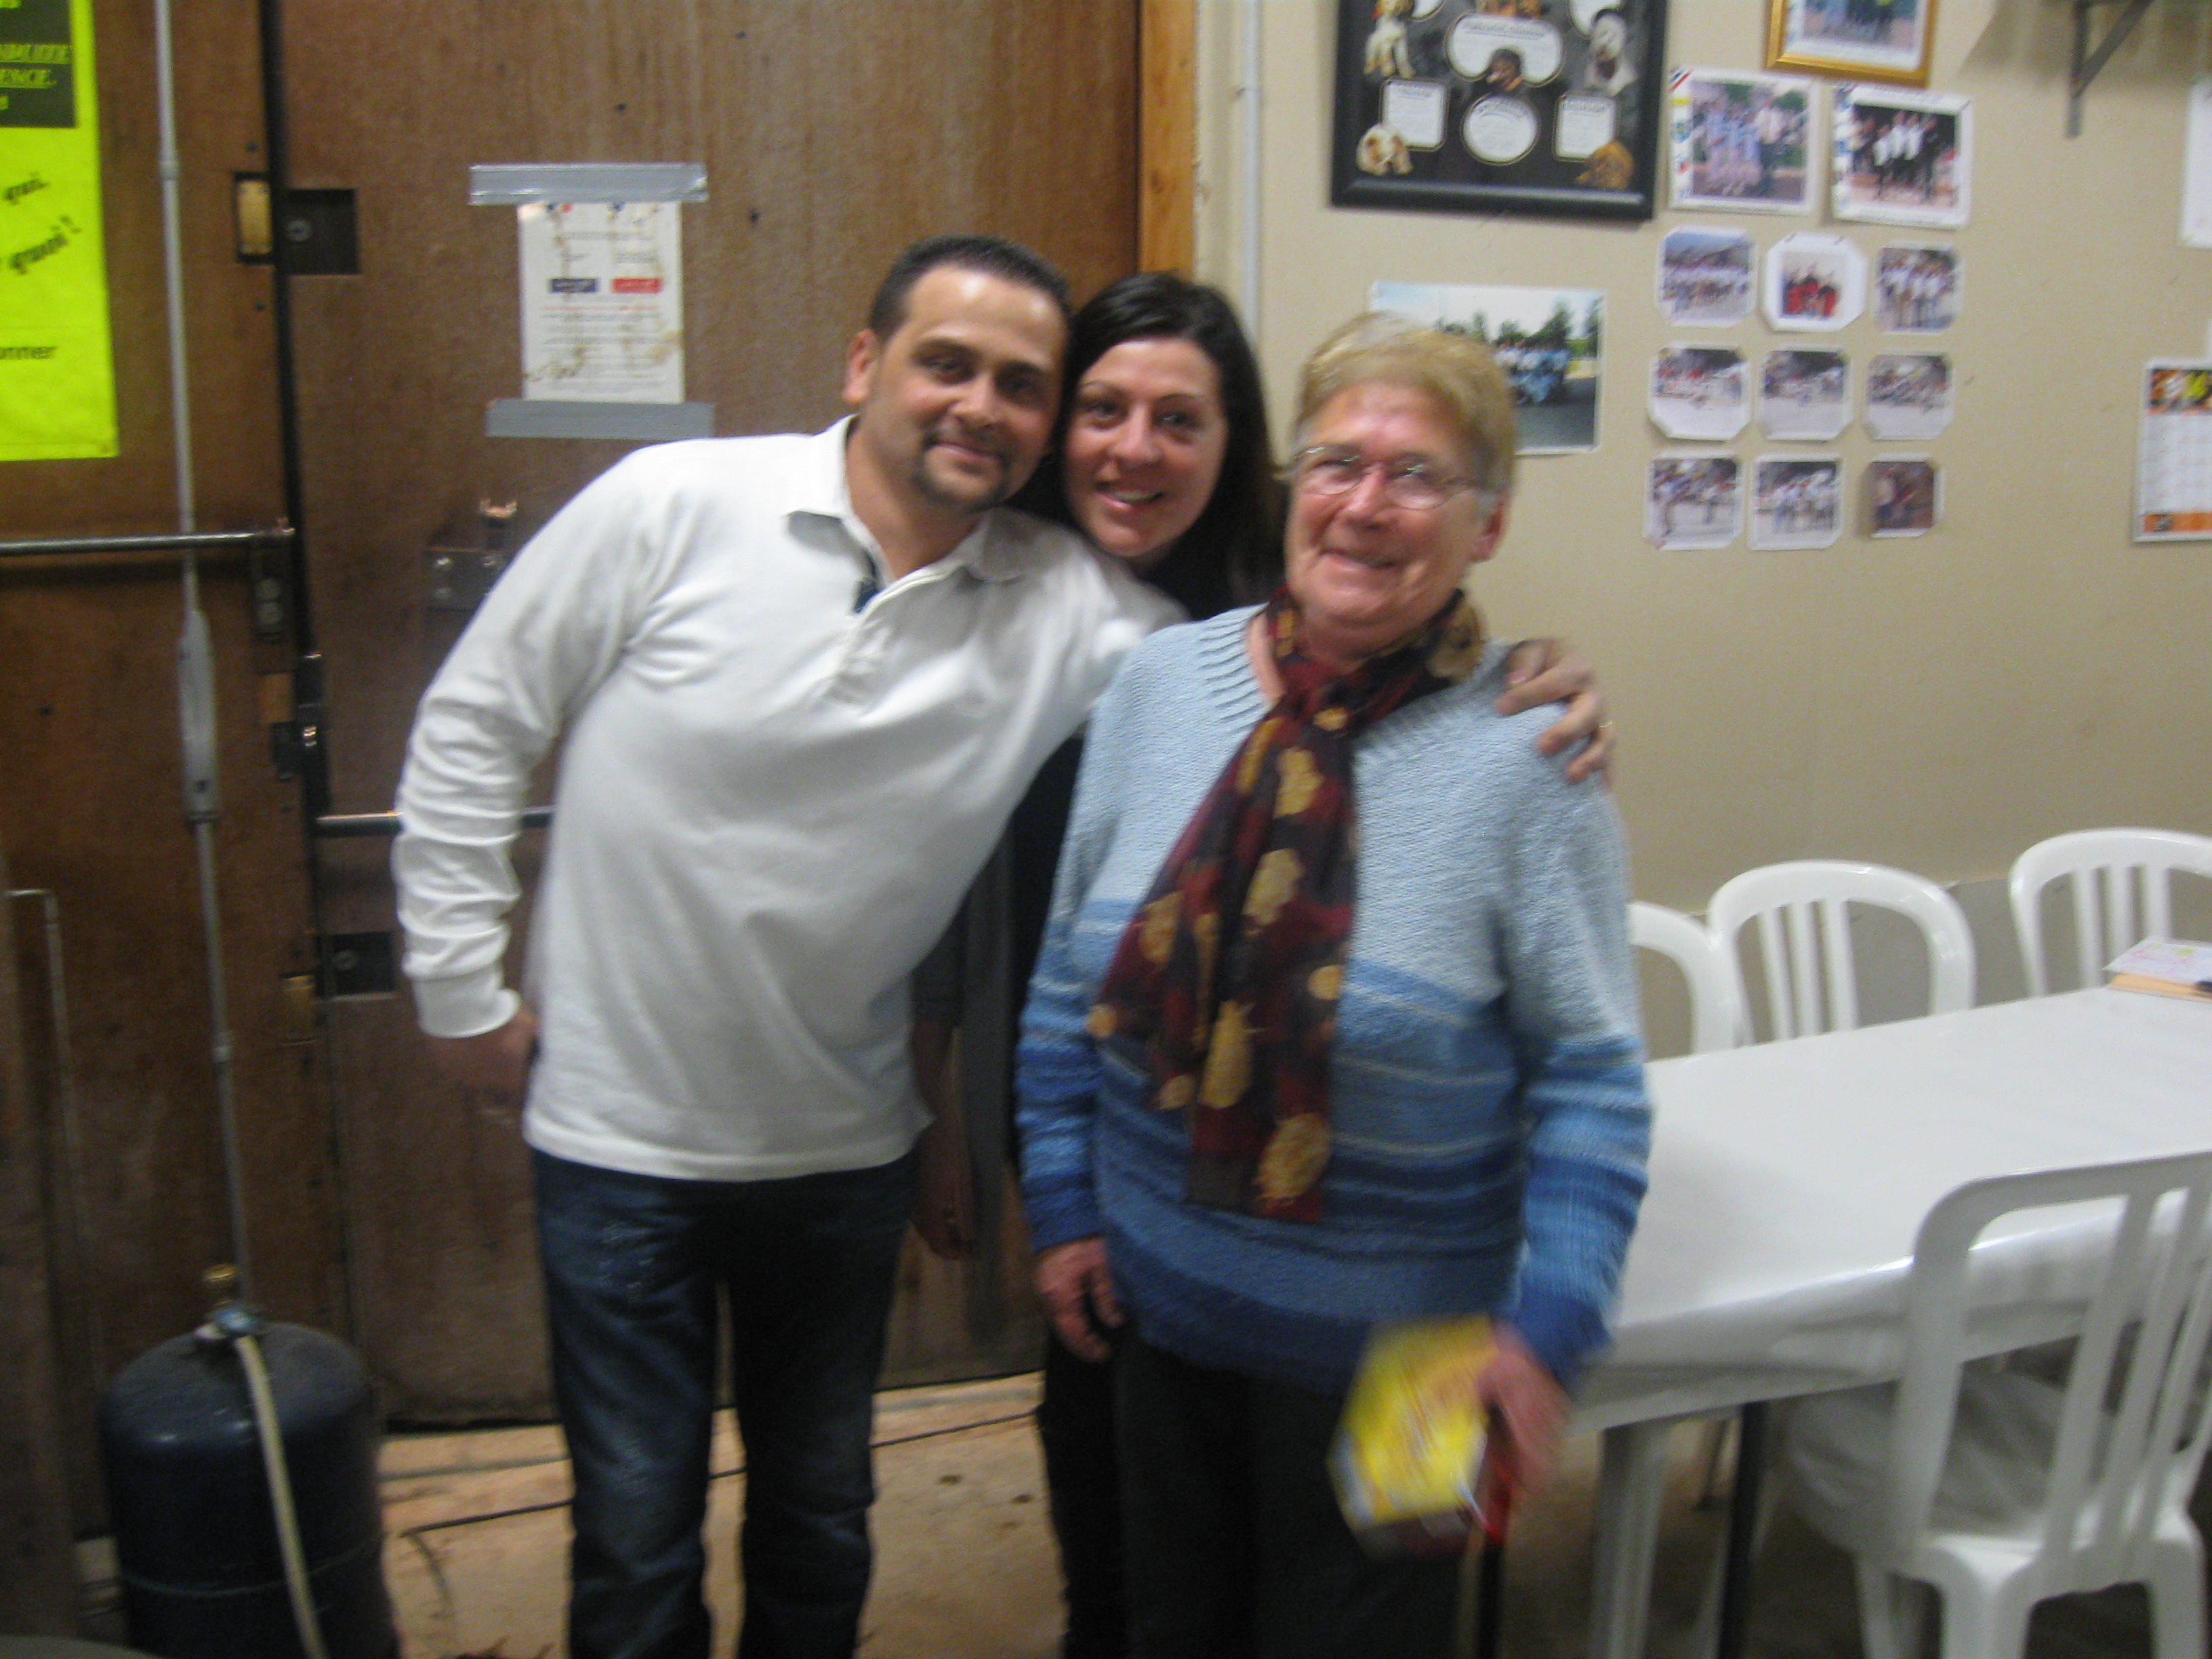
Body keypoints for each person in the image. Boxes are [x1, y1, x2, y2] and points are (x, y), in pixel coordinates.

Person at [391, 233, 1193, 1659]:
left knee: (821, 1517)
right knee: (636, 1530)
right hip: (617, 1143)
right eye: (946, 363)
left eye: (1022, 385)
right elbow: (475, 722)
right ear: (865, 363)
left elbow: (1266, 674)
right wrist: (458, 989)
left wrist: (1491, 672)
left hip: (839, 1152)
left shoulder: (1069, 609)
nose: (980, 406)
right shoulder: (677, 502)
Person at [911, 274, 1613, 1659]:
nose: (1366, 503)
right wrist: (1060, 1208)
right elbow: (1066, 987)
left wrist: (1549, 1327)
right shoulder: (1162, 683)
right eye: (1341, 463)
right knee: (1161, 1622)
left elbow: (1592, 1074)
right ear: (1294, 482)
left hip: (1415, 1353)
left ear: (1491, 522)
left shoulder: (1532, 756)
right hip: (1164, 1309)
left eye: (1418, 476)